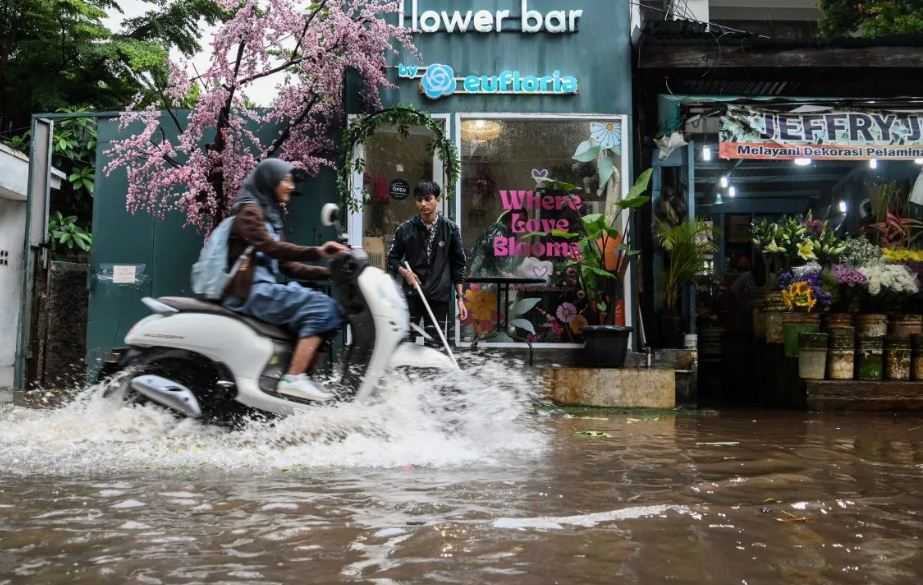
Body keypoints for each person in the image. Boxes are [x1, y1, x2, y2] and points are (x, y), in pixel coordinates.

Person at [223, 159, 349, 401]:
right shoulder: (249, 211)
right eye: (286, 180)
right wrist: (318, 251)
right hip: (251, 293)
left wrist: (332, 274)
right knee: (322, 308)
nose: (291, 186)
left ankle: (299, 381)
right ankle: (294, 378)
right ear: (269, 181)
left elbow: (289, 266)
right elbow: (271, 247)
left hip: (264, 289)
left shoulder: (270, 216)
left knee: (330, 309)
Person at [387, 181, 468, 345]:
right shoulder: (405, 230)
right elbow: (392, 259)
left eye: (427, 199)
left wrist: (460, 298)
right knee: (405, 343)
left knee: (436, 345)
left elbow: (458, 265)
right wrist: (405, 273)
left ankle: (433, 371)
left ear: (437, 199)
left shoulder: (450, 229)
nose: (423, 204)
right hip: (412, 295)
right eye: (419, 200)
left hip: (439, 297)